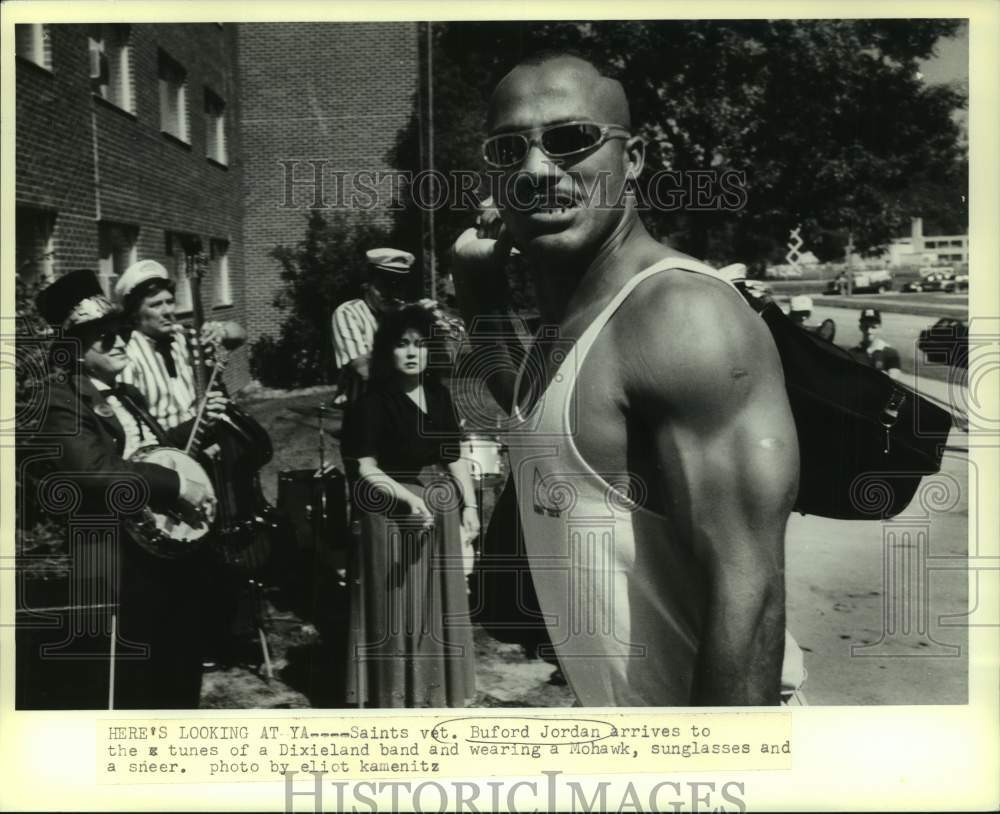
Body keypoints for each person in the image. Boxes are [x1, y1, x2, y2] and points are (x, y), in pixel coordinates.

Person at [451, 52, 804, 706]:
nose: (535, 170)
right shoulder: (573, 326)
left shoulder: (679, 316)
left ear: (633, 159)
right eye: (508, 150)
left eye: (570, 140)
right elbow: (538, 418)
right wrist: (480, 295)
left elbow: (751, 598)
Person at [31, 269, 221, 708]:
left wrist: (197, 426)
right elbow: (95, 471)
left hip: (164, 554)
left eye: (118, 331)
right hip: (119, 561)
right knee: (136, 677)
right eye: (103, 337)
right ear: (75, 351)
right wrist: (176, 485)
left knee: (180, 660)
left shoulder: (129, 393)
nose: (118, 342)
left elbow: (150, 451)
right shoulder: (61, 403)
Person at [340, 305, 479, 707]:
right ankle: (399, 695)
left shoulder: (437, 394)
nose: (412, 353)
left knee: (439, 603)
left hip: (437, 507)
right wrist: (408, 498)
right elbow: (365, 468)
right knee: (399, 608)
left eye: (419, 345)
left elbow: (453, 453)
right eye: (402, 345)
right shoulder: (371, 403)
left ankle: (436, 691)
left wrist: (469, 505)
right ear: (388, 352)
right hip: (390, 513)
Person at [114, 259, 241, 430]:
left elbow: (239, 334)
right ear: (135, 313)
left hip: (205, 441)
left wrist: (220, 331)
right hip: (167, 451)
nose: (167, 311)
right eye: (156, 305)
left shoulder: (183, 336)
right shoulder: (127, 355)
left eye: (170, 301)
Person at [331, 248, 415, 405]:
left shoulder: (407, 312)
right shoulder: (349, 312)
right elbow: (364, 370)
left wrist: (432, 326)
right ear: (367, 283)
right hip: (366, 412)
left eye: (397, 284)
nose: (391, 293)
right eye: (384, 284)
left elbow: (445, 361)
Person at [848, 308, 901, 378]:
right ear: (860, 327)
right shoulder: (852, 353)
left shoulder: (891, 353)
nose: (869, 331)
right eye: (866, 327)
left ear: (880, 329)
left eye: (873, 327)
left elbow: (893, 380)